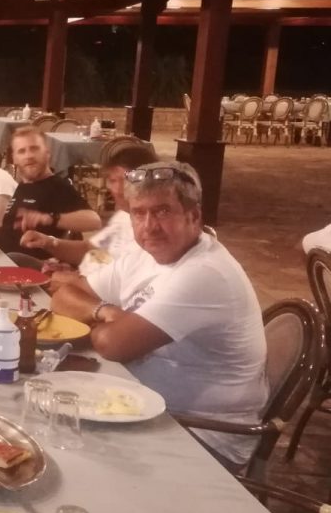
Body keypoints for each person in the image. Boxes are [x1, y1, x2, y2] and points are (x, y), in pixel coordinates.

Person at [50, 162, 267, 468]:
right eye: (139, 213)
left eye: (163, 211)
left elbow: (113, 345)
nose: (149, 226)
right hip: (142, 405)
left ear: (194, 216)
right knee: (46, 417)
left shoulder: (206, 272)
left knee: (62, 450)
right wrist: (107, 311)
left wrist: (106, 326)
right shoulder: (144, 254)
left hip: (202, 436)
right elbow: (64, 295)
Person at [19, 144, 156, 280]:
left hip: (88, 289)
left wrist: (74, 281)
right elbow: (88, 249)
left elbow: (124, 283)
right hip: (78, 278)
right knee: (16, 259)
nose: (114, 188)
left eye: (121, 180)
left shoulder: (148, 232)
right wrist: (49, 242)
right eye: (112, 180)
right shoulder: (123, 216)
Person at [0, 126, 101, 257]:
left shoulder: (58, 187)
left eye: (34, 149)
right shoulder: (24, 185)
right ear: (14, 158)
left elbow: (94, 221)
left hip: (21, 263)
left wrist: (49, 218)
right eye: (21, 151)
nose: (28, 156)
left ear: (47, 153)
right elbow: (7, 230)